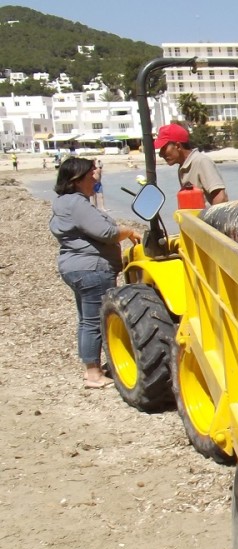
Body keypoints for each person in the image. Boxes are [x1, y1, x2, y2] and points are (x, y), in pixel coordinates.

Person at [50, 157, 141, 388]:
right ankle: (93, 374)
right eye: (92, 170)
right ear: (77, 178)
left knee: (86, 320)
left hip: (76, 267)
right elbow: (106, 232)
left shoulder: (65, 202)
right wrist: (129, 230)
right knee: (93, 321)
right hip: (91, 268)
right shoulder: (77, 203)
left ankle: (92, 367)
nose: (96, 173)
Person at [153, 123, 228, 205]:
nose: (160, 154)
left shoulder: (201, 161)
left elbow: (221, 198)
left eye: (163, 148)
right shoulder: (183, 167)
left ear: (177, 146)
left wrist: (211, 218)